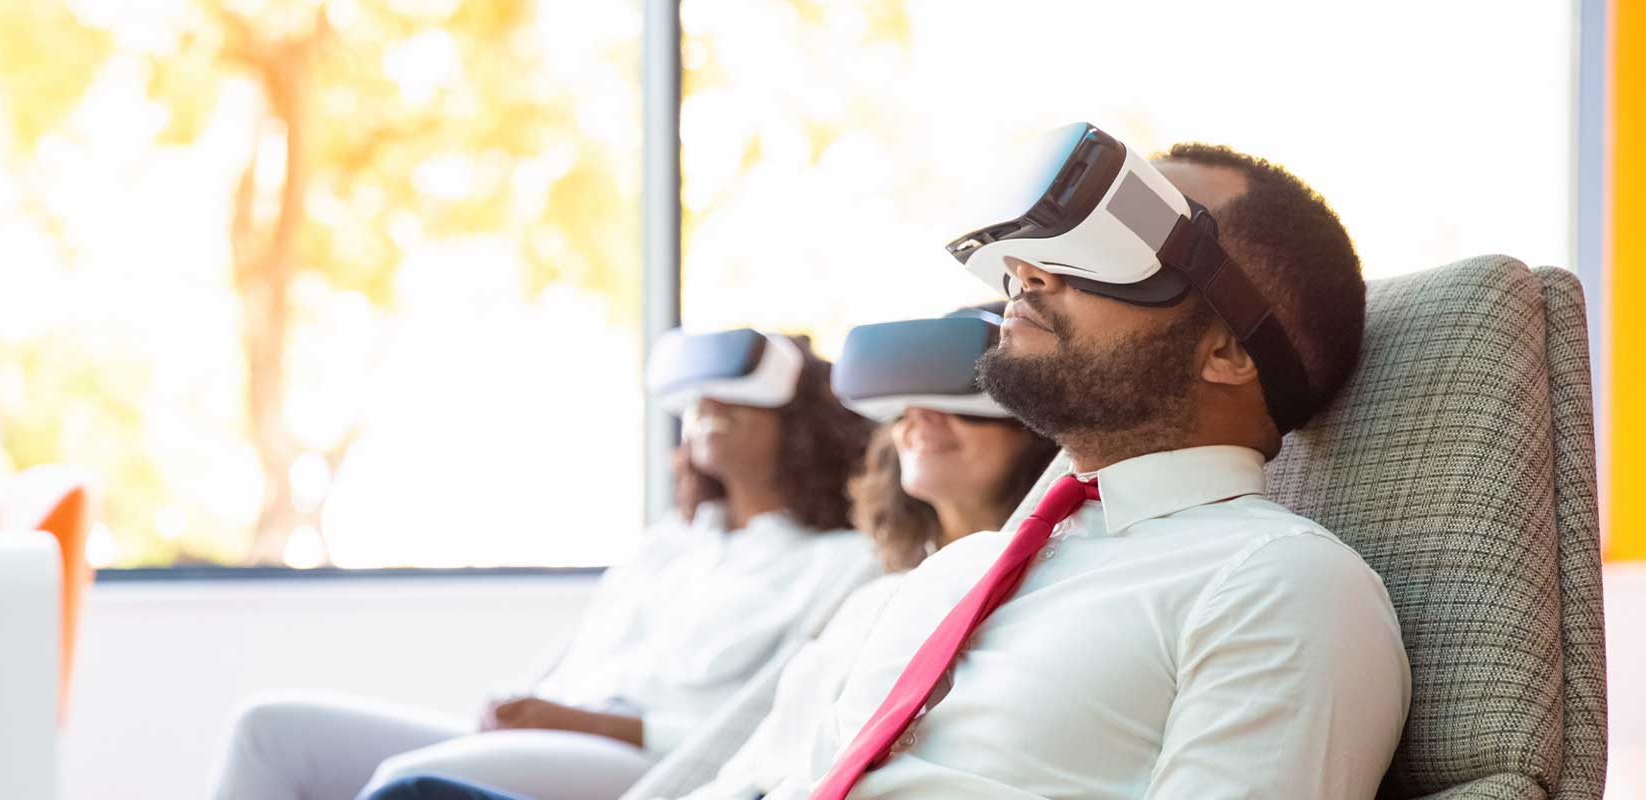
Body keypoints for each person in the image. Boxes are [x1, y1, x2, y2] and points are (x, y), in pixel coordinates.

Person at [786, 135, 1410, 798]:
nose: (1026, 269)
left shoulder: (1280, 586)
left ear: (1228, 352)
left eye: (1117, 238)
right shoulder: (957, 572)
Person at [360, 309, 1062, 800]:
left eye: (961, 402)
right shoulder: (872, 596)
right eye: (907, 408)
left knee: (407, 788)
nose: (923, 421)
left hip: (634, 756)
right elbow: (757, 753)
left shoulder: (857, 569)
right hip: (702, 783)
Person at [213, 331, 875, 800]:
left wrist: (585, 724)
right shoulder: (669, 547)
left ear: (801, 424)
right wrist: (526, 707)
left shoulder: (839, 564)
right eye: (701, 400)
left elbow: (761, 731)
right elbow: (575, 667)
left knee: (407, 786)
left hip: (644, 762)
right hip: (556, 733)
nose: (709, 410)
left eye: (736, 400)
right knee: (268, 731)